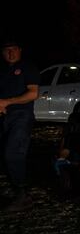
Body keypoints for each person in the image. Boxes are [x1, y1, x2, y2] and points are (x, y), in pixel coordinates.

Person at [0, 39, 39, 212]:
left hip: (21, 115)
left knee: (13, 153)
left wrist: (7, 102)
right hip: (4, 117)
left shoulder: (27, 67)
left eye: (14, 49)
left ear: (20, 50)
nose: (10, 53)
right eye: (7, 50)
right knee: (5, 154)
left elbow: (33, 93)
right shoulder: (2, 70)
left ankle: (23, 194)